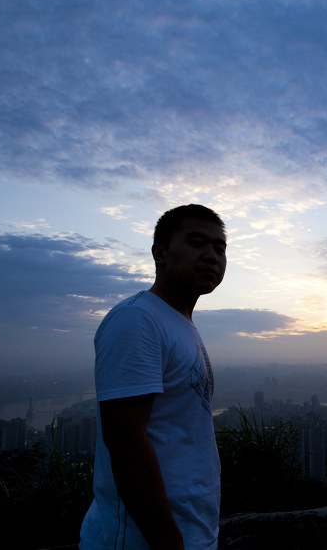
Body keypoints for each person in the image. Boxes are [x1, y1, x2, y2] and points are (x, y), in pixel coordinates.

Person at [80, 204, 227, 550]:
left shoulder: (179, 323)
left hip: (193, 532)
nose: (211, 255)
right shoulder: (138, 320)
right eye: (196, 243)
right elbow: (125, 440)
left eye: (219, 248)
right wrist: (168, 542)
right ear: (160, 253)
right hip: (142, 540)